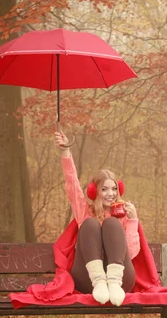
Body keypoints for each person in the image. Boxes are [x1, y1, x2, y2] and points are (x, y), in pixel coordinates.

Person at [54, 130, 139, 306]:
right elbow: (72, 184)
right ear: (95, 191)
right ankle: (99, 280)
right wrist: (65, 152)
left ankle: (112, 282)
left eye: (114, 189)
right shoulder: (85, 210)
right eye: (105, 189)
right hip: (89, 280)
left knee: (111, 224)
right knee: (90, 224)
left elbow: (131, 254)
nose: (111, 194)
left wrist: (132, 222)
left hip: (121, 281)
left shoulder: (123, 213)